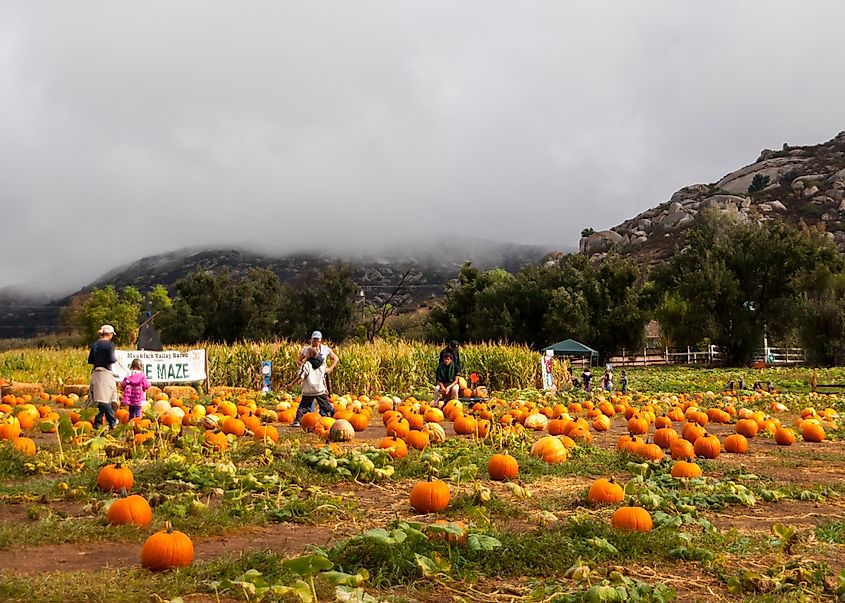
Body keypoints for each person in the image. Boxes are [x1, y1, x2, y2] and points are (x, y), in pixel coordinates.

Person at [291, 331, 338, 426]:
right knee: (325, 403)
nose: (315, 342)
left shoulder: (324, 350)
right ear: (311, 340)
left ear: (320, 340)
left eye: (317, 340)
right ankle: (334, 415)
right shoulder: (309, 354)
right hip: (319, 386)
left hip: (310, 388)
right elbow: (298, 360)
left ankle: (298, 420)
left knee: (304, 405)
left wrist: (292, 383)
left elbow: (301, 375)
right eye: (314, 340)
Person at [88, 324, 118, 430]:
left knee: (99, 399)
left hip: (96, 373)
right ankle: (112, 422)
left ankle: (97, 423)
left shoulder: (95, 344)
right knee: (105, 400)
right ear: (109, 334)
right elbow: (112, 359)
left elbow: (90, 360)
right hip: (106, 373)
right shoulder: (110, 345)